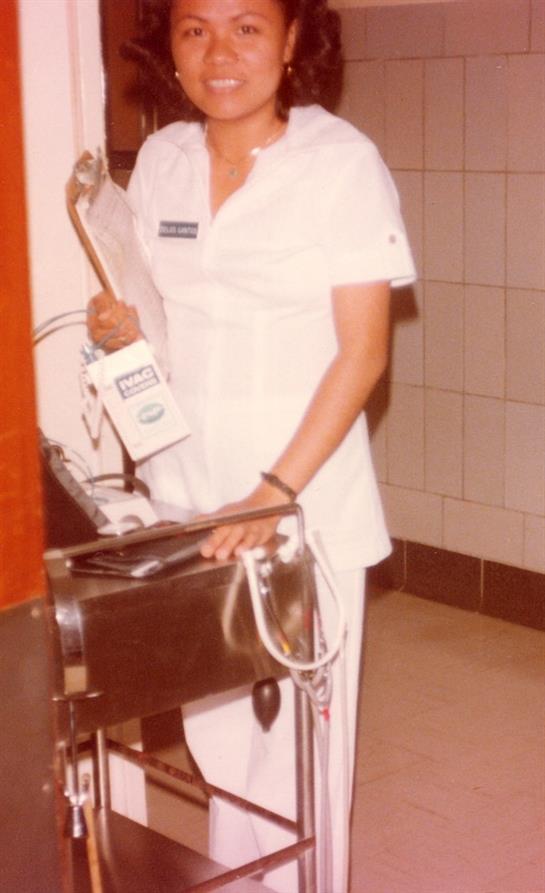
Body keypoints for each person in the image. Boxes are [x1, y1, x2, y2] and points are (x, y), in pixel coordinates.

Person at [88, 1, 416, 889]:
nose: (220, 54)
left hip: (296, 506)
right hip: (184, 497)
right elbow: (168, 317)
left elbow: (364, 349)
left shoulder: (337, 163)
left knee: (298, 762)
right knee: (222, 743)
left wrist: (274, 490)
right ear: (170, 47)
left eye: (246, 27)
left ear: (294, 40)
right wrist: (123, 330)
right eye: (195, 30)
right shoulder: (162, 158)